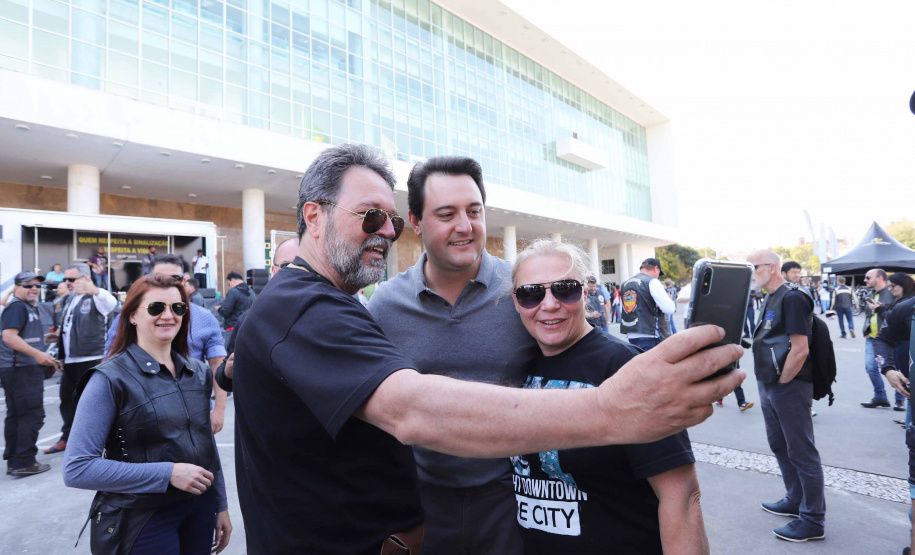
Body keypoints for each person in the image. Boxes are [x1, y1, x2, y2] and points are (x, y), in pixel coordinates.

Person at [230, 144, 744, 553]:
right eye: (370, 217)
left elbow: (581, 351)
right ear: (313, 217)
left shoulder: (326, 306)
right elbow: (410, 408)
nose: (383, 232)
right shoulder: (331, 307)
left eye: (386, 220)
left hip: (510, 505)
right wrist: (611, 408)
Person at [368, 155, 539, 554]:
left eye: (474, 211)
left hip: (515, 500)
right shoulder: (385, 307)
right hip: (421, 506)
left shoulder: (524, 291)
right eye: (446, 214)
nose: (465, 226)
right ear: (415, 222)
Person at [509, 240, 706, 554]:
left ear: (586, 291)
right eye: (531, 293)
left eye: (565, 289)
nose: (548, 304)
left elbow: (681, 496)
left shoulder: (626, 366)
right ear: (516, 301)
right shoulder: (514, 363)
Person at [63, 274, 232, 554]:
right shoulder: (109, 378)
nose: (169, 315)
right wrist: (167, 474)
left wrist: (219, 504)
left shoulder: (198, 372)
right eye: (156, 308)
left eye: (178, 308)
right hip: (141, 518)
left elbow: (205, 444)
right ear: (131, 316)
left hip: (198, 510)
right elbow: (77, 468)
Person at [748, 249, 825, 542]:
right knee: (779, 444)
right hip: (770, 382)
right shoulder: (770, 296)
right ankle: (795, 499)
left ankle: (813, 520)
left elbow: (800, 348)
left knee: (802, 452)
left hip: (788, 384)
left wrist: (782, 382)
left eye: (754, 267)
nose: (751, 273)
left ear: (771, 267)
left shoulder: (792, 297)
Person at [105, 255, 228, 433]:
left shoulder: (204, 318)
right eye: (159, 277)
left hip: (194, 411)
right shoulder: (129, 317)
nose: (166, 283)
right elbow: (111, 360)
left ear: (184, 281)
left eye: (175, 278)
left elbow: (218, 364)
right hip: (141, 413)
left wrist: (219, 410)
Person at [43, 264, 118, 455]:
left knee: (94, 403)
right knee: (66, 400)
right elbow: (69, 326)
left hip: (91, 359)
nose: (66, 283)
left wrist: (94, 289)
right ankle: (67, 438)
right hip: (70, 360)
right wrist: (59, 343)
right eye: (65, 280)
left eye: (71, 279)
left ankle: (101, 441)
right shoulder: (69, 299)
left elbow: (111, 303)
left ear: (85, 279)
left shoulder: (96, 297)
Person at [213, 237, 300, 393]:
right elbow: (225, 375)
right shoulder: (249, 319)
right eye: (287, 265)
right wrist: (228, 372)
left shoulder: (331, 316)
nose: (296, 272)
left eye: (303, 266)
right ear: (273, 271)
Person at [1, 271, 60, 477]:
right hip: (21, 369)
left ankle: (15, 460)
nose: (34, 288)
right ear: (16, 288)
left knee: (17, 415)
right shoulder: (17, 306)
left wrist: (43, 339)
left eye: (37, 286)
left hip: (18, 369)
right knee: (32, 415)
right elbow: (8, 336)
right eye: (27, 285)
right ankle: (24, 461)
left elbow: (21, 335)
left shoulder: (25, 307)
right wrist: (37, 353)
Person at [861, 268, 903, 410]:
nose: (865, 280)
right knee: (871, 367)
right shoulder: (870, 293)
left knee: (897, 367)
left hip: (890, 337)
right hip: (872, 337)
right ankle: (880, 396)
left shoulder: (892, 294)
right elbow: (868, 315)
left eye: (868, 277)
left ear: (879, 278)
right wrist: (866, 329)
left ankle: (900, 398)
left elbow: (896, 314)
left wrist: (881, 309)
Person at [619, 258, 676, 350]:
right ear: (655, 269)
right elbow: (669, 308)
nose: (658, 276)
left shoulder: (625, 284)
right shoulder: (652, 281)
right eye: (659, 273)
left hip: (631, 334)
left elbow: (623, 309)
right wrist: (668, 299)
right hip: (649, 334)